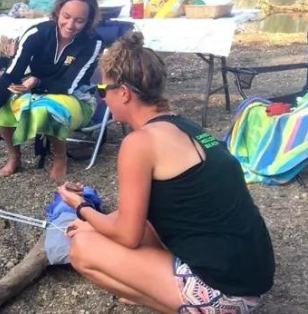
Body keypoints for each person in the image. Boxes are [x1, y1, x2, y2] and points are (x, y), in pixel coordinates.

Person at [58, 32, 275, 313]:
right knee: (121, 227)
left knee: (82, 249)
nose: (102, 99)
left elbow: (128, 236)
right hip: (253, 276)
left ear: (123, 92)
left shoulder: (139, 143)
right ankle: (166, 291)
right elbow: (142, 217)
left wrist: (82, 208)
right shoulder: (184, 126)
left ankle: (167, 301)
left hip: (224, 295)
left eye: (102, 90)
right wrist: (94, 221)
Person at [0, 0, 103, 183]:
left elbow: (69, 84)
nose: (70, 25)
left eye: (79, 21)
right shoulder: (37, 33)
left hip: (77, 98)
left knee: (46, 109)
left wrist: (36, 80)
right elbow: (12, 73)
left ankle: (60, 157)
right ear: (57, 12)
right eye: (66, 16)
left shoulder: (92, 42)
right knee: (5, 108)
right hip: (37, 90)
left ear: (88, 21)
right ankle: (15, 157)